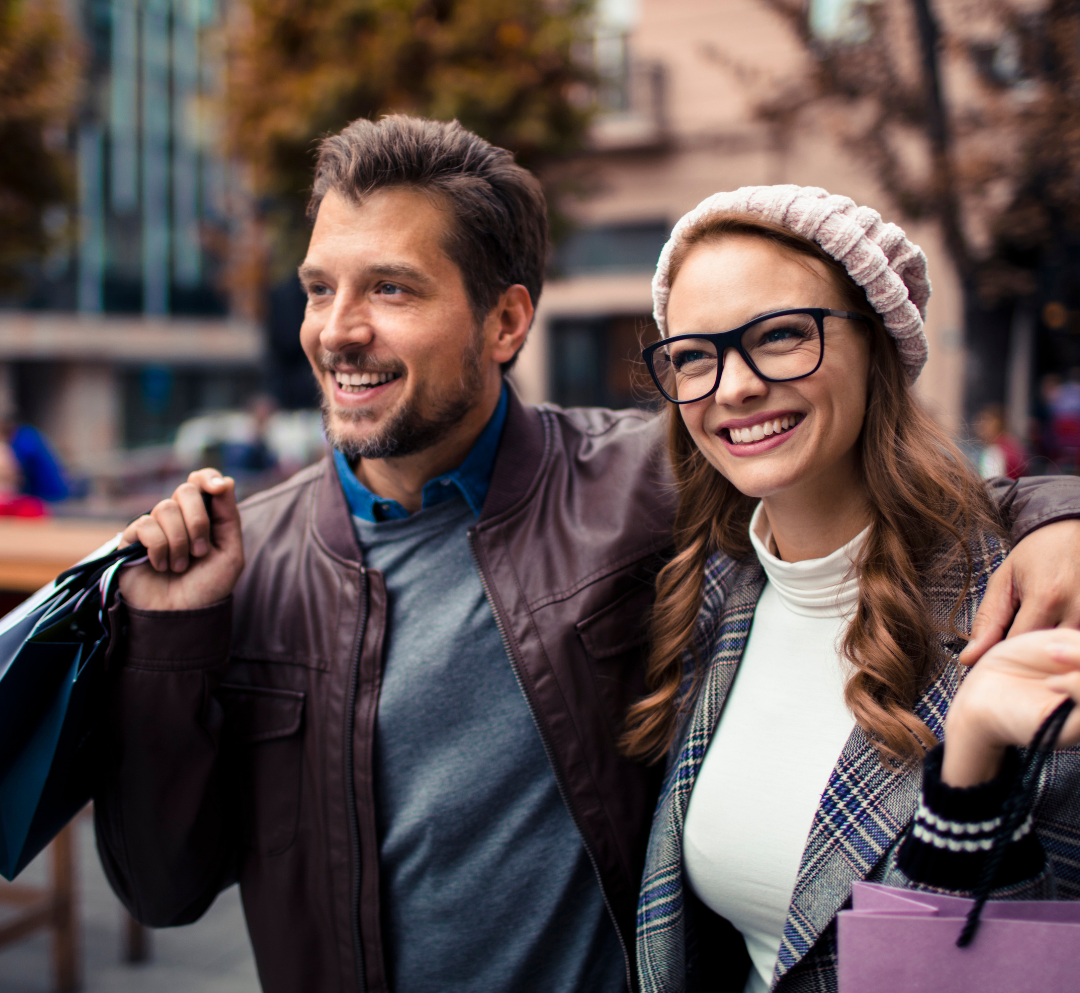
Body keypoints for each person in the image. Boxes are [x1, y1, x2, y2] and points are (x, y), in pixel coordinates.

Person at [94, 125, 1080, 993]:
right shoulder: (240, 560)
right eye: (320, 289)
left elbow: (884, 492)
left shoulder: (641, 487)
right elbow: (163, 890)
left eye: (390, 288)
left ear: (508, 322)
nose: (338, 330)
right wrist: (168, 642)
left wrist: (1057, 518)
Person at [629, 187, 1080, 993]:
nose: (733, 386)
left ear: (878, 344)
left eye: (779, 336)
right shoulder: (711, 599)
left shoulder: (1026, 605)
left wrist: (970, 768)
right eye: (694, 354)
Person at [974, 403, 1027, 480]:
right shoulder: (1012, 444)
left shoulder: (994, 451)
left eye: (984, 423)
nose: (979, 427)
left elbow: (991, 484)